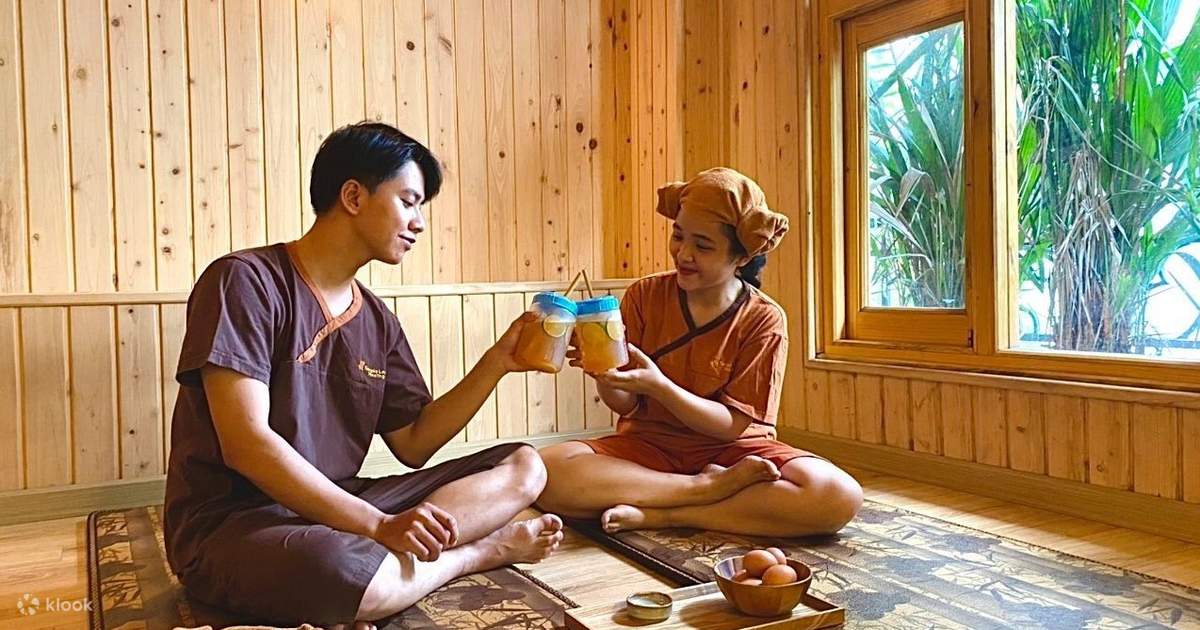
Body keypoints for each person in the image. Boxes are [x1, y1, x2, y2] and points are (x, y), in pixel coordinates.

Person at [163, 122, 563, 630]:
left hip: (344, 501)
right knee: (337, 569)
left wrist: (497, 362)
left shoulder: (376, 320)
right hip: (235, 522)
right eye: (409, 201)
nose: (419, 223)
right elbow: (247, 444)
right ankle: (475, 554)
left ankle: (387, 569)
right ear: (353, 196)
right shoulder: (244, 280)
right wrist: (378, 525)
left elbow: (414, 442)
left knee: (525, 466)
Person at [537, 167, 863, 537]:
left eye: (703, 246)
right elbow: (625, 405)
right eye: (678, 236)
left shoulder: (764, 319)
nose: (684, 254)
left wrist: (660, 387)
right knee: (547, 469)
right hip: (650, 445)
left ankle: (669, 514)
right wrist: (604, 374)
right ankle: (703, 489)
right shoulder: (644, 296)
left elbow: (731, 426)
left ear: (741, 257)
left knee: (838, 495)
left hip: (734, 452)